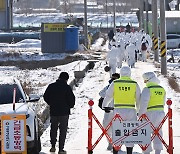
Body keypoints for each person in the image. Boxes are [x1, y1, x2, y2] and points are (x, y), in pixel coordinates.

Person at [102, 66, 141, 154]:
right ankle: (129, 151)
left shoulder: (115, 83)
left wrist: (104, 106)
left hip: (118, 110)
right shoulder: (134, 83)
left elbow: (108, 95)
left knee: (117, 131)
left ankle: (116, 150)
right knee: (130, 132)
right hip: (131, 110)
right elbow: (139, 99)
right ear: (130, 73)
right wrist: (139, 111)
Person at [43, 72, 75, 154]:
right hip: (64, 113)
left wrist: (51, 103)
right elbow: (72, 100)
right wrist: (69, 106)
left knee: (53, 129)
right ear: (66, 79)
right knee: (63, 130)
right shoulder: (67, 88)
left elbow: (45, 96)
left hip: (54, 111)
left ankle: (53, 146)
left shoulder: (51, 86)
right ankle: (61, 149)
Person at [138, 72, 166, 154]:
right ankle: (158, 150)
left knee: (145, 132)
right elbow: (163, 103)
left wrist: (140, 115)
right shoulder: (162, 89)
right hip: (161, 113)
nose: (144, 82)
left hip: (149, 113)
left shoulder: (147, 89)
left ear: (149, 80)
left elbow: (143, 104)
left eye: (145, 80)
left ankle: (146, 151)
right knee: (158, 131)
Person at [98, 73, 120, 150]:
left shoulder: (120, 87)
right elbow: (101, 93)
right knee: (106, 127)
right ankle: (110, 142)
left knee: (117, 128)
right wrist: (109, 92)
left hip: (117, 110)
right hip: (108, 110)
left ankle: (117, 144)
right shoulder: (108, 87)